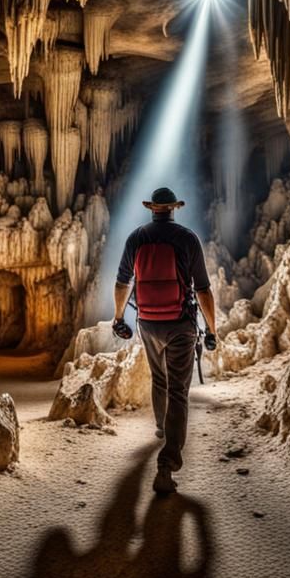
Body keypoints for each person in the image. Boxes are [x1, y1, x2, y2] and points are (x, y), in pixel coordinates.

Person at [112, 187, 217, 495]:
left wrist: (119, 318)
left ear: (152, 209)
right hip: (181, 325)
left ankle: (161, 427)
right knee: (179, 391)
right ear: (173, 209)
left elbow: (122, 283)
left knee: (159, 378)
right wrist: (212, 330)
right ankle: (167, 464)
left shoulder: (136, 238)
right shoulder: (187, 238)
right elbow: (204, 291)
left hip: (148, 323)